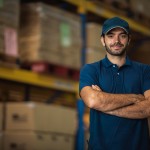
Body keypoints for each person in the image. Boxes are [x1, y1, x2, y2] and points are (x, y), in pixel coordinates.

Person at [79, 17, 150, 150]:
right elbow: (93, 101)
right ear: (102, 40)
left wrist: (105, 106)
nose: (116, 41)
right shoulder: (91, 70)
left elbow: (148, 108)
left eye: (122, 36)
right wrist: (134, 98)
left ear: (128, 40)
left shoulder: (145, 71)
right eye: (110, 36)